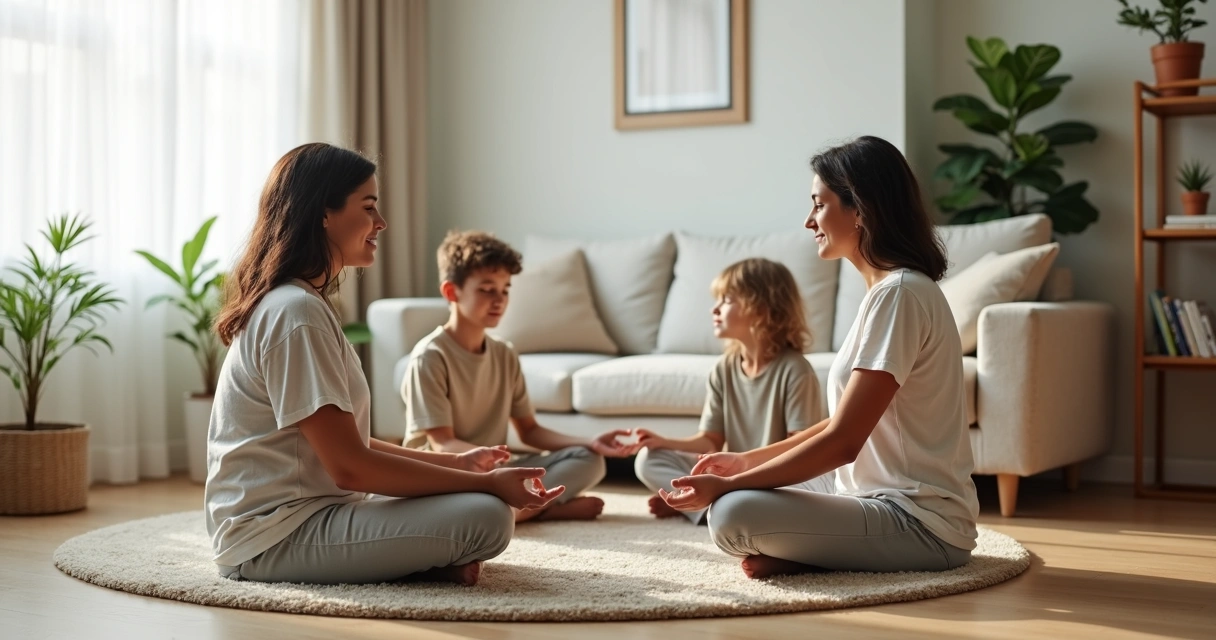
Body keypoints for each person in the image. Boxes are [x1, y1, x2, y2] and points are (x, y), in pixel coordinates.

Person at [205, 143, 564, 587]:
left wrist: (463, 466)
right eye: (369, 207)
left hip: (315, 514)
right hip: (270, 539)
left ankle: (417, 562)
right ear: (323, 213)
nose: (381, 223)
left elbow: (347, 440)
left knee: (480, 507)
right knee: (487, 516)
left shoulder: (300, 304)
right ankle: (417, 561)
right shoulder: (296, 313)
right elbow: (350, 466)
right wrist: (487, 486)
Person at [661, 135, 979, 578]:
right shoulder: (886, 294)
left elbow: (844, 443)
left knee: (731, 512)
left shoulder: (900, 295)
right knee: (740, 495)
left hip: (920, 522)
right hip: (866, 494)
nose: (809, 221)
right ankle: (814, 550)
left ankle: (812, 552)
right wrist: (746, 461)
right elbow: (839, 423)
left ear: (861, 209)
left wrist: (732, 483)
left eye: (819, 204)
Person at [403, 230, 634, 523]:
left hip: (496, 467)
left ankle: (518, 509)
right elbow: (443, 445)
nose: (499, 299)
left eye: (505, 289)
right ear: (451, 292)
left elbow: (530, 432)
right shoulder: (430, 357)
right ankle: (535, 509)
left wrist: (589, 441)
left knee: (589, 460)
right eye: (487, 289)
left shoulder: (504, 354)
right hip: (446, 470)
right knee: (471, 492)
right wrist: (496, 465)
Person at [631, 258, 834, 524]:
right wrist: (663, 442)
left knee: (792, 493)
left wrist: (744, 474)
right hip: (730, 475)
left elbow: (797, 451)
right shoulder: (724, 368)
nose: (715, 309)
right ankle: (711, 506)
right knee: (648, 459)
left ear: (761, 308)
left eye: (726, 300)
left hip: (772, 478)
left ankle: (702, 505)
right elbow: (710, 441)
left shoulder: (796, 370)